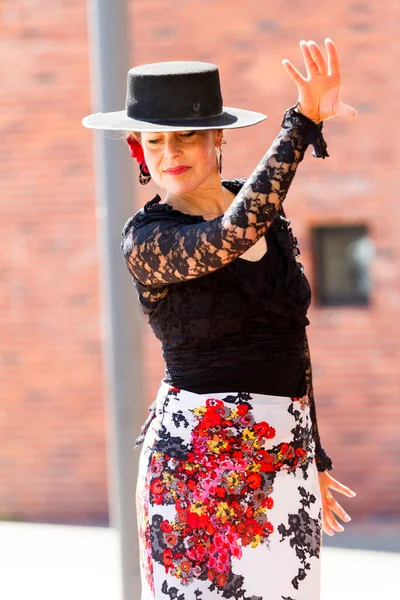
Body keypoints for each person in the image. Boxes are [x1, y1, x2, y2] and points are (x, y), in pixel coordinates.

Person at [82, 38, 357, 600]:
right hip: (198, 469)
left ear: (217, 138)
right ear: (138, 150)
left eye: (185, 136)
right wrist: (301, 122)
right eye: (153, 141)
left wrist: (310, 452)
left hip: (284, 458)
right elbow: (230, 235)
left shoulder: (259, 210)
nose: (169, 152)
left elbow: (290, 342)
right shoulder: (148, 239)